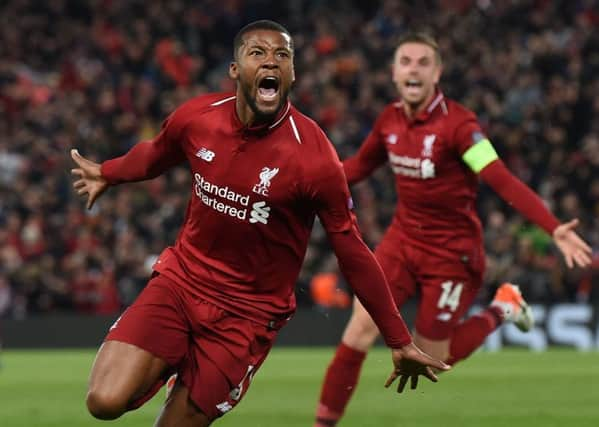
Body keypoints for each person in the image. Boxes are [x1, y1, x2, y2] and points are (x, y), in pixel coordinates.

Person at [70, 21, 450, 427]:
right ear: (236, 70)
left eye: (282, 55)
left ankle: (189, 371)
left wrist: (397, 338)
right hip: (181, 284)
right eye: (258, 53)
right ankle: (174, 362)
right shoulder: (198, 118)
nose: (271, 61)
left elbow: (352, 250)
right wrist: (109, 172)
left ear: (291, 74)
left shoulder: (315, 158)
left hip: (247, 315)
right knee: (103, 401)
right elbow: (156, 154)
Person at [313, 32, 593, 427]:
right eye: (405, 61)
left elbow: (500, 178)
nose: (413, 68)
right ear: (393, 72)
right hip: (401, 242)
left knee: (433, 358)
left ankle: (504, 307)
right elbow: (357, 168)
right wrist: (302, 189)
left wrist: (552, 227)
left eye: (423, 62)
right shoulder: (389, 121)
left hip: (451, 253)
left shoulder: (460, 126)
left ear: (437, 73)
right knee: (359, 329)